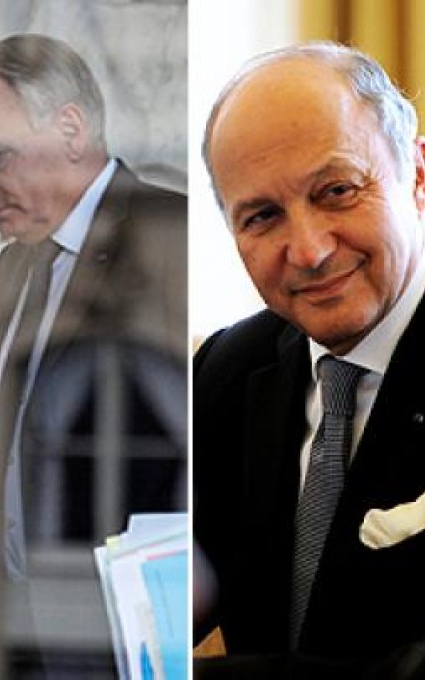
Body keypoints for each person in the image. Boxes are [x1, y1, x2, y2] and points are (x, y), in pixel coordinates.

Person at [0, 33, 187, 675]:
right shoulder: (13, 269)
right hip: (9, 643)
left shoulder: (167, 238)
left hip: (116, 644)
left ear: (70, 130)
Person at [194, 42, 425, 678]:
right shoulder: (225, 371)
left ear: (418, 175)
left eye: (337, 191)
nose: (309, 250)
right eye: (263, 216)